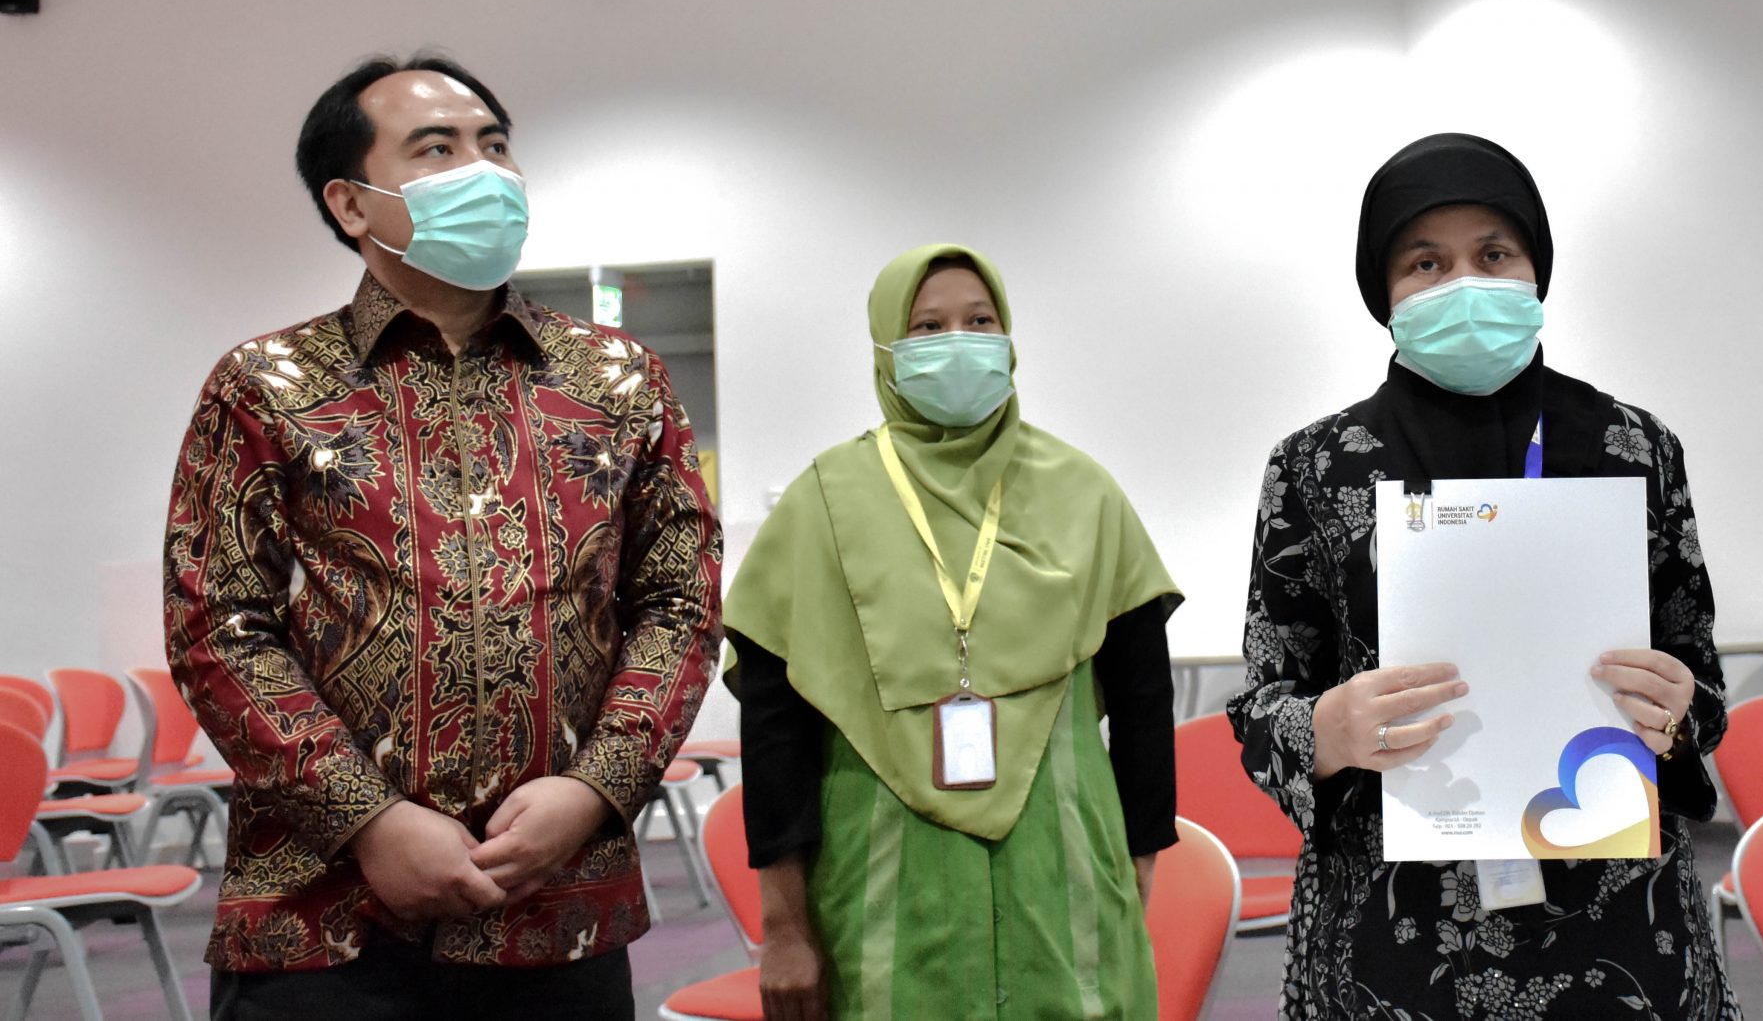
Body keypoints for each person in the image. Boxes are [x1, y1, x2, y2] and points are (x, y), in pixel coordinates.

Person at [163, 53, 723, 1021]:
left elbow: (679, 602)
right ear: (351, 203)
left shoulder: (618, 379)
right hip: (327, 911)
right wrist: (368, 820)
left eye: (495, 145)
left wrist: (596, 789)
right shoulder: (265, 383)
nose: (484, 172)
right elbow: (217, 624)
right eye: (437, 149)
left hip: (559, 901)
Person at [1230, 134, 1736, 1021]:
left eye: (1494, 254)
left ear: (1536, 268)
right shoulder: (1317, 465)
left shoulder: (1632, 445)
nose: (1465, 282)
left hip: (1619, 921)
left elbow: (1700, 679)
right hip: (1391, 933)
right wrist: (1327, 728)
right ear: (1383, 290)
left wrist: (1678, 709)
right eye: (1426, 262)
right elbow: (1264, 701)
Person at [726, 243, 1181, 1021]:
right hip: (883, 890)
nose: (958, 342)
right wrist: (786, 927)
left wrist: (1136, 857)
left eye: (980, 320)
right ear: (885, 348)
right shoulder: (822, 503)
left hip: (1065, 875)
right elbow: (776, 731)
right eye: (927, 327)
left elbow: (1144, 699)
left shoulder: (1085, 493)